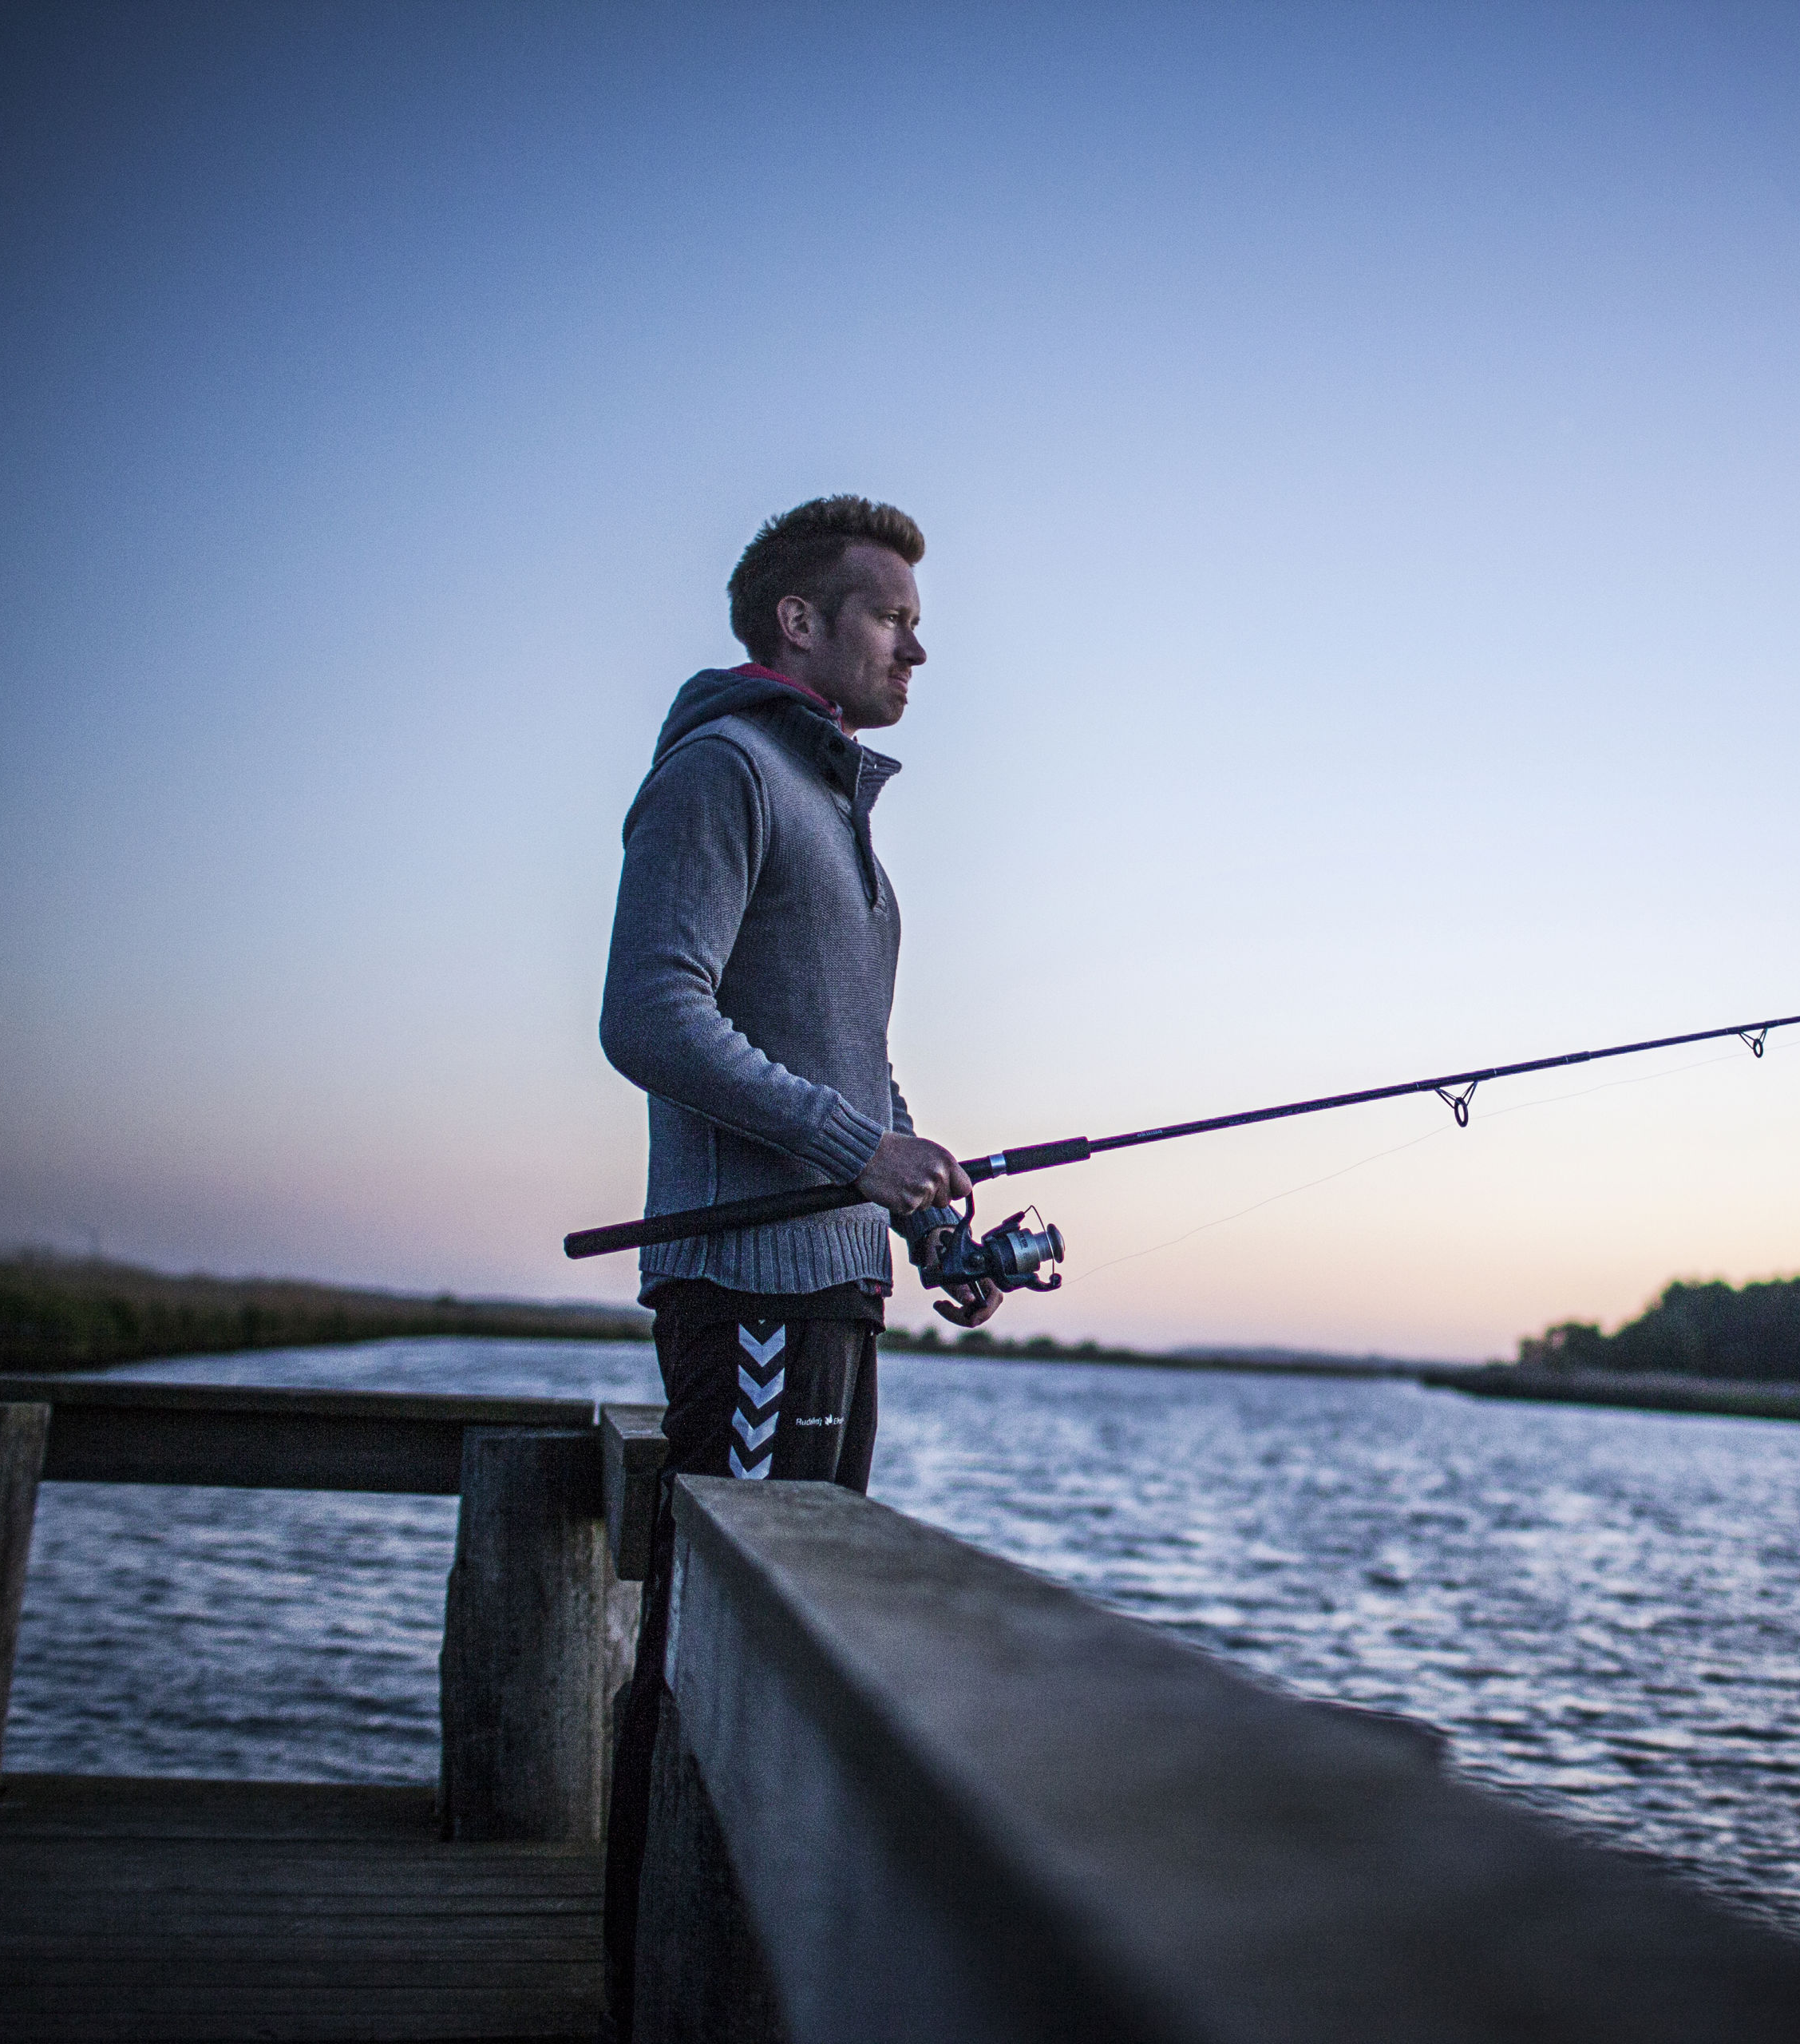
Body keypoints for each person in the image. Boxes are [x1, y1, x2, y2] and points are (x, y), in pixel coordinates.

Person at [593, 493, 1000, 2025]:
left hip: (835, 1286)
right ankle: (655, 1995)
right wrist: (852, 1153)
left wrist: (929, 1217)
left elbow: (855, 1071)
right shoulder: (722, 774)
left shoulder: (838, 814)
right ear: (800, 625)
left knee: (800, 1639)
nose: (918, 644)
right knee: (723, 1657)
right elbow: (653, 1016)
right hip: (751, 1299)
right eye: (891, 614)